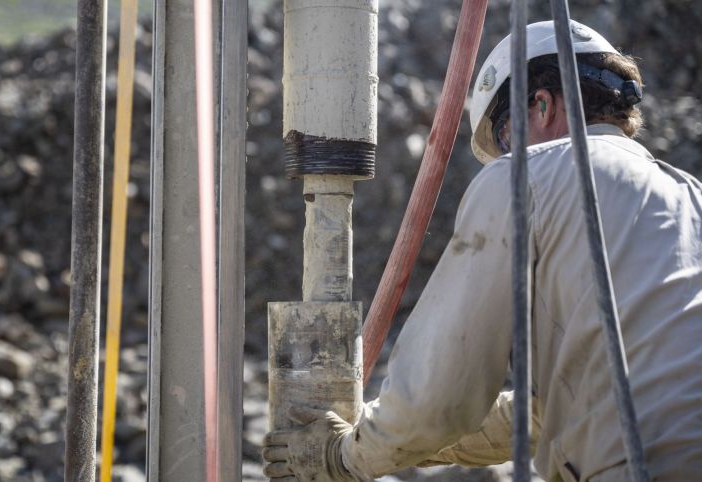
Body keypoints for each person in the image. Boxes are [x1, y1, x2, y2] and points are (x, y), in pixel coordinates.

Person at [262, 20, 702, 482]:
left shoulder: (527, 177)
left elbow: (438, 394)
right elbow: (542, 413)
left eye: (507, 136)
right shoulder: (690, 197)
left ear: (541, 104)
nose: (509, 157)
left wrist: (344, 458)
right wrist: (383, 437)